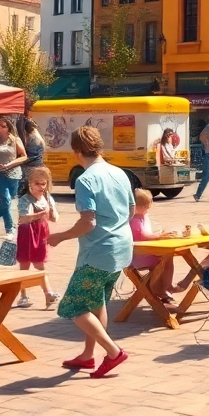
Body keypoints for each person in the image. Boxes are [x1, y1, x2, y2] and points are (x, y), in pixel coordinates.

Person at [47, 125, 132, 378]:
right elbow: (129, 210)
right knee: (97, 302)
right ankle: (87, 355)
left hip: (98, 252)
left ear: (76, 151)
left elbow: (88, 222)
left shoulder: (86, 179)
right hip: (121, 248)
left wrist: (60, 237)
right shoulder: (119, 172)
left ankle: (113, 352)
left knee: (72, 307)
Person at [15, 167, 61, 310]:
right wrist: (41, 213)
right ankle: (25, 295)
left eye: (44, 183)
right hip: (27, 233)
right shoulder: (25, 199)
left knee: (39, 263)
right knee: (25, 265)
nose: (41, 187)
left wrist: (52, 213)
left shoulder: (47, 197)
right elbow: (24, 218)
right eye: (37, 184)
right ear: (30, 184)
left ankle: (47, 294)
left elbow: (55, 218)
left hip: (41, 233)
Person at [128, 188, 178, 306]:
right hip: (139, 255)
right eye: (146, 206)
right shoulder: (134, 219)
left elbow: (145, 233)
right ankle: (163, 288)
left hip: (145, 251)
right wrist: (159, 236)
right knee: (166, 259)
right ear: (137, 207)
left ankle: (163, 287)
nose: (148, 208)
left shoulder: (142, 217)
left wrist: (159, 234)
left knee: (167, 258)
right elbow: (141, 235)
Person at [0, 117, 26, 238]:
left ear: (8, 128)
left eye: (2, 126)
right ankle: (9, 228)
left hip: (14, 174)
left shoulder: (15, 140)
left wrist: (11, 164)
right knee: (6, 201)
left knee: (8, 202)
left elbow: (24, 156)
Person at [21, 117, 46, 182]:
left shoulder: (32, 140)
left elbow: (30, 157)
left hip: (30, 168)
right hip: (39, 165)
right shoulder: (39, 139)